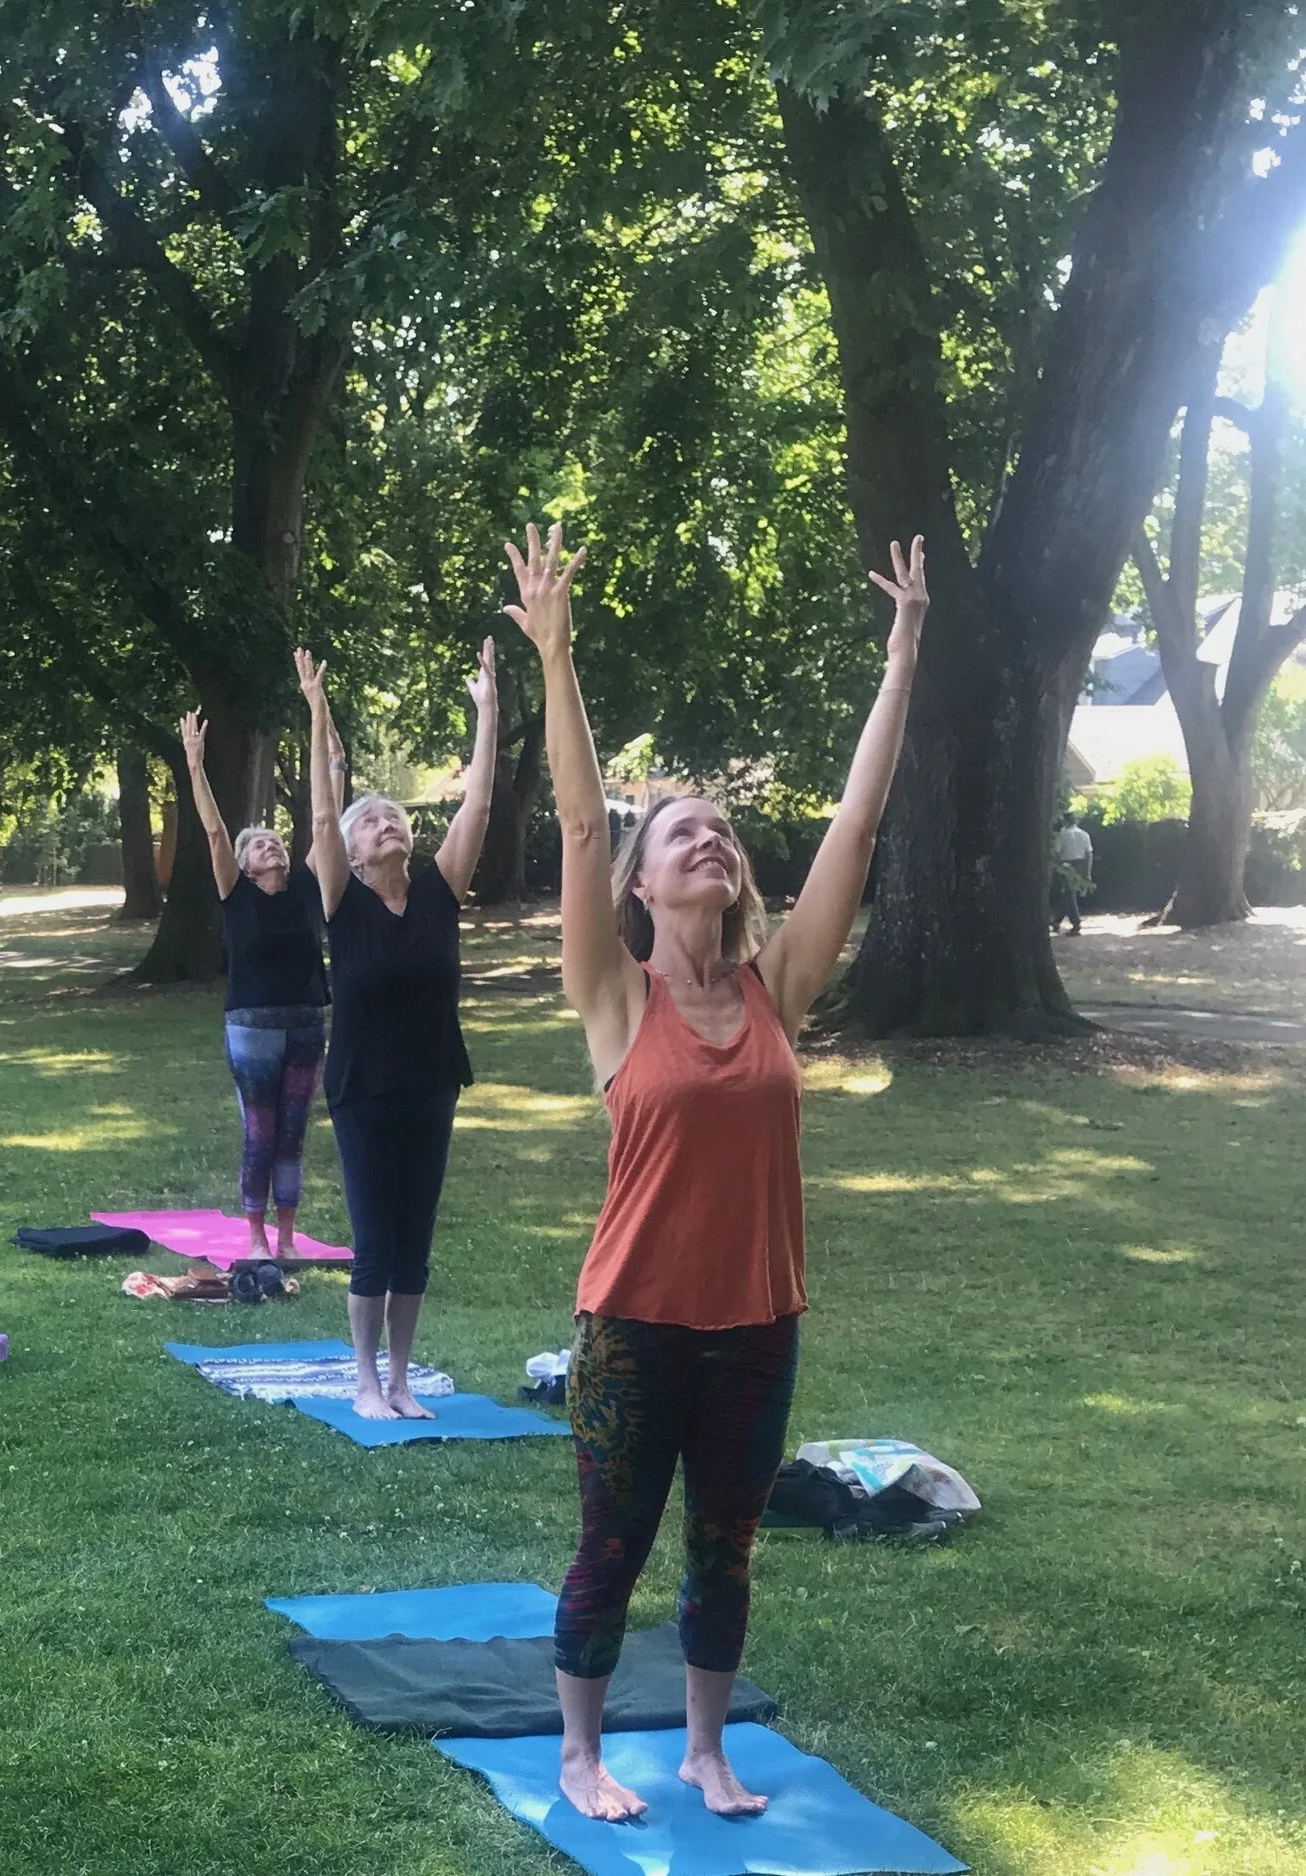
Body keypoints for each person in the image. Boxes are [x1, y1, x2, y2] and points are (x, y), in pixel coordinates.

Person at [506, 520, 928, 1824]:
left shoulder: (774, 987)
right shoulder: (613, 996)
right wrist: (556, 656)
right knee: (612, 1546)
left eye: (721, 829)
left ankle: (703, 1749)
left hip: (756, 1324)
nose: (709, 839)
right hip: (632, 1324)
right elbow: (582, 822)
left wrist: (902, 655)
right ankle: (580, 1757)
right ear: (641, 881)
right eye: (682, 831)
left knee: (725, 1548)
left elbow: (857, 823)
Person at [296, 637, 500, 1420]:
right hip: (362, 1088)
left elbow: (478, 807)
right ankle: (364, 1381)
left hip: (432, 1080)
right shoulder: (341, 902)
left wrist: (487, 713)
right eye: (371, 819)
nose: (384, 822)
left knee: (415, 1238)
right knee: (375, 1237)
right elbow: (322, 811)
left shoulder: (441, 891)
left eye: (394, 815)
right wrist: (317, 711)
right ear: (347, 852)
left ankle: (404, 1379)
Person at [179, 710, 329, 1259]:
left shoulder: (307, 887)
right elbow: (215, 831)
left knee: (293, 1135)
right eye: (261, 845)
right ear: (244, 865)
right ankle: (256, 1238)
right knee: (261, 1133)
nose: (273, 846)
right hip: (252, 1027)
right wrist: (196, 766)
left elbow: (326, 822)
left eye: (276, 841)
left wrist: (327, 743)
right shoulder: (236, 894)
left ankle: (288, 1239)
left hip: (307, 1022)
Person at [1052, 810, 1094, 935]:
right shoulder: (1084, 834)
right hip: (1080, 864)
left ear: (1065, 821)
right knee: (1068, 894)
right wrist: (1088, 871)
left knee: (1068, 894)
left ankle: (1075, 923)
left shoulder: (1063, 835)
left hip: (1066, 864)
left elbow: (1057, 853)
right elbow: (1089, 854)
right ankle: (1057, 921)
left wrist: (1057, 866)